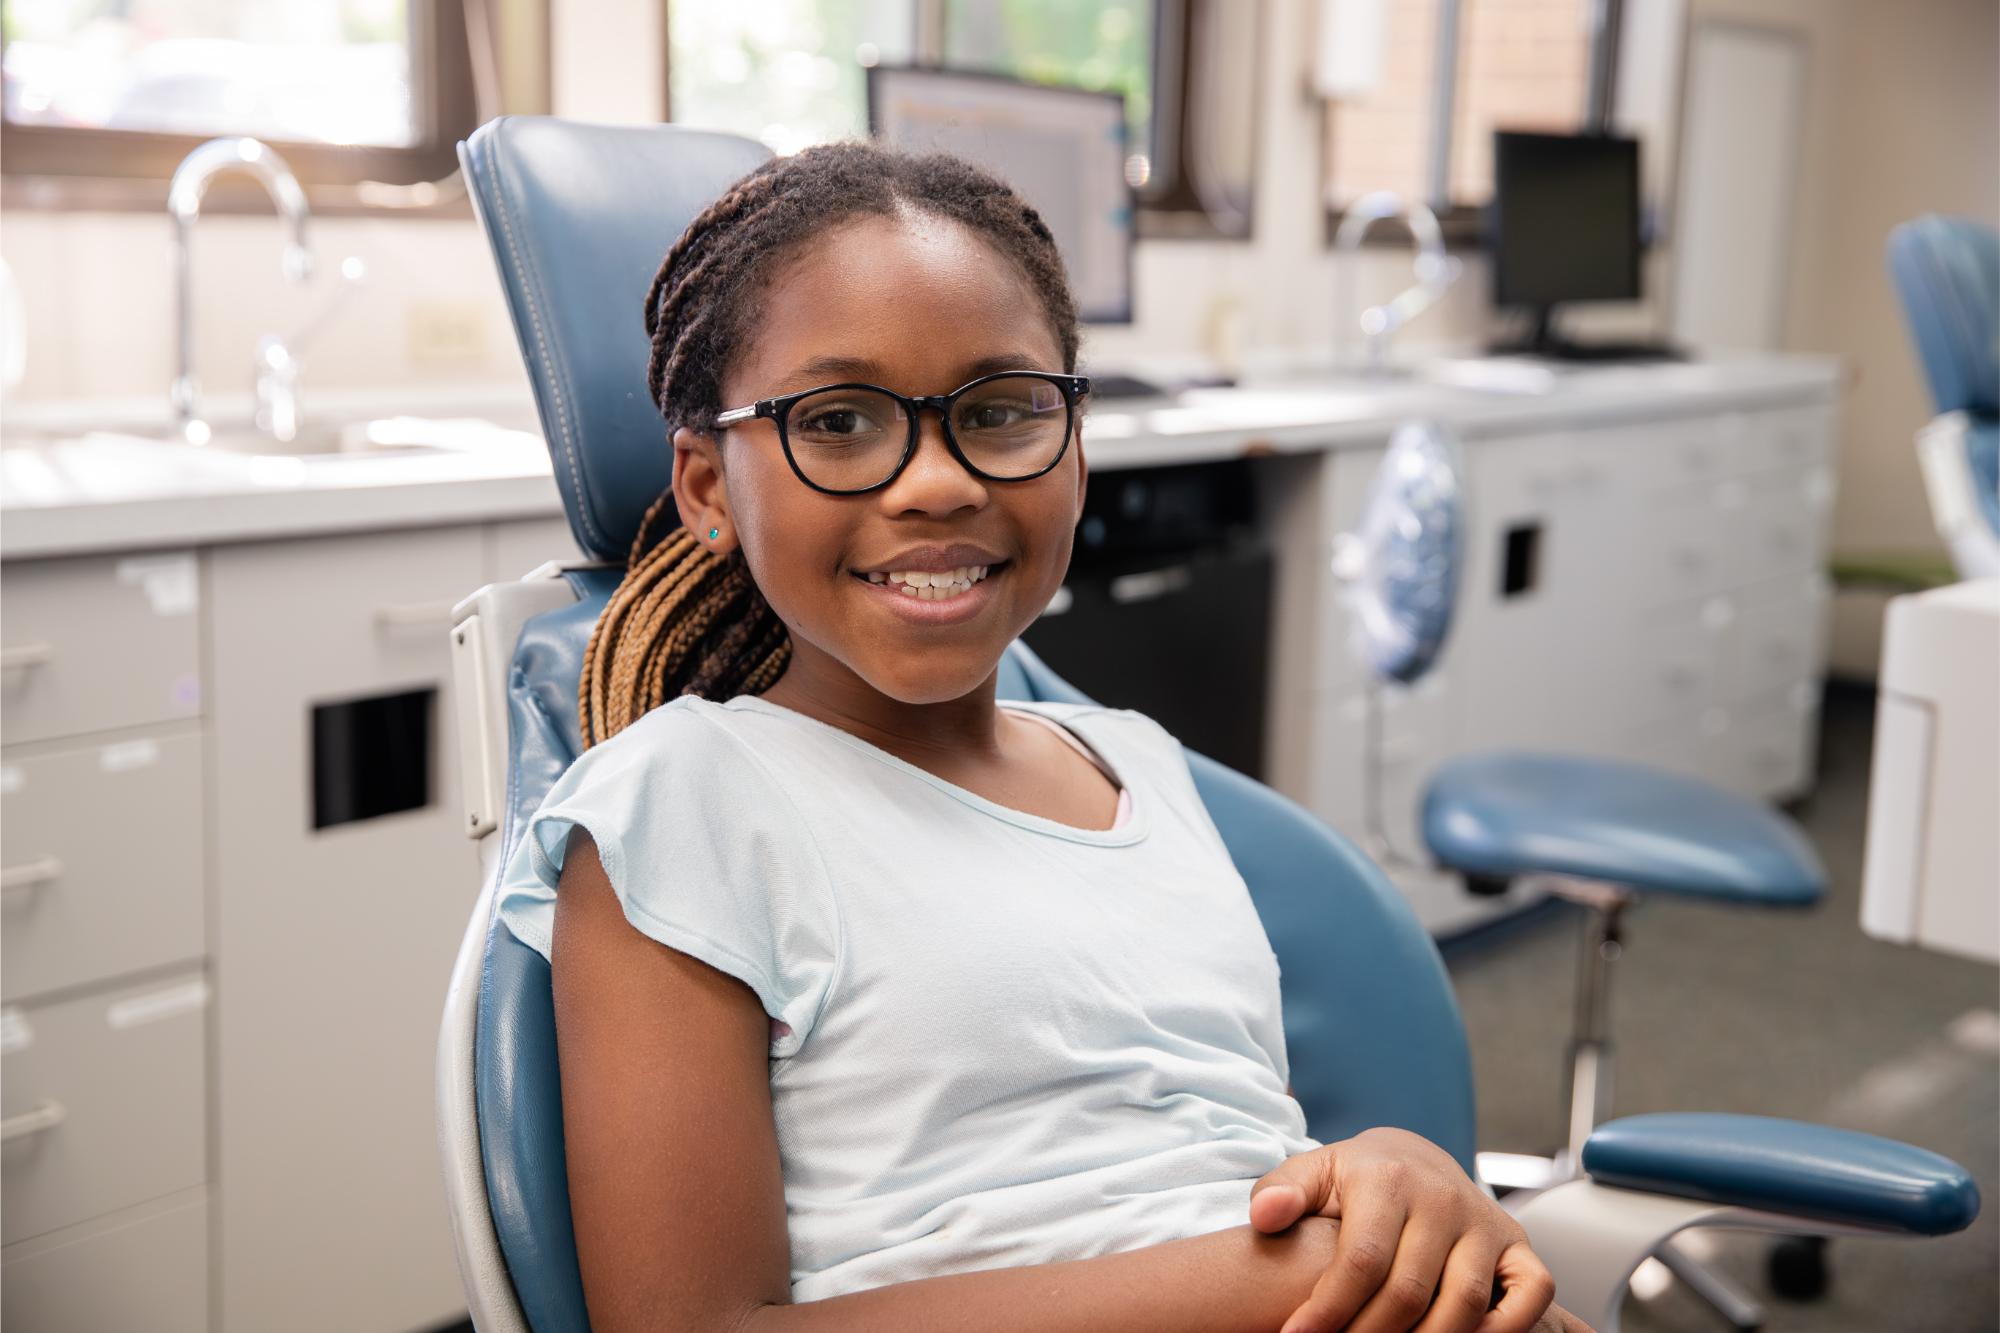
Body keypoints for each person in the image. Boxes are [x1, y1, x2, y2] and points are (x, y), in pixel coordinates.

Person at [497, 141, 1589, 1333]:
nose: (934, 483)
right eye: (841, 420)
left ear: (1075, 442)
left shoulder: (1137, 766)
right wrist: (1263, 1277)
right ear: (708, 487)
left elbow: (1205, 1150)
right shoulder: (685, 802)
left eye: (1002, 409)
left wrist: (1382, 1173)